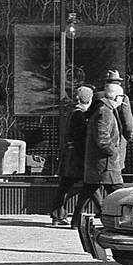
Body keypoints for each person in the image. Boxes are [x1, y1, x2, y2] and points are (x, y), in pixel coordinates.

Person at [71, 76, 128, 226]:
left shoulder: (103, 110)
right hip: (105, 164)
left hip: (101, 163)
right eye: (121, 96)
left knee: (87, 191)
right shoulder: (105, 112)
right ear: (115, 96)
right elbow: (102, 138)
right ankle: (125, 220)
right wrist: (112, 151)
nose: (123, 100)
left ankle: (76, 221)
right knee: (119, 193)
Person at [49, 85, 93, 226]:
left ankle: (57, 215)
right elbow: (81, 136)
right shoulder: (80, 114)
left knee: (65, 186)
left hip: (70, 154)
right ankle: (103, 212)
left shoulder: (72, 112)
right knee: (91, 185)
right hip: (77, 157)